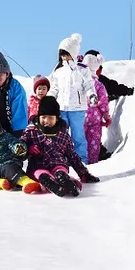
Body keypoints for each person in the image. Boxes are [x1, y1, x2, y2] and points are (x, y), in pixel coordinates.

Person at [21, 96, 99, 198]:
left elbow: (72, 155)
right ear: (38, 116)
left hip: (58, 163)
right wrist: (28, 150)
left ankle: (64, 179)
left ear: (57, 118)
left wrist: (83, 173)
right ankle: (48, 181)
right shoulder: (31, 132)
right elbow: (20, 147)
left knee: (60, 170)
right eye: (43, 117)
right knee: (39, 173)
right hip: (37, 166)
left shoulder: (63, 133)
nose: (47, 121)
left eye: (50, 118)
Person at [48, 33, 98, 164]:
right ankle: (61, 160)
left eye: (66, 53)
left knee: (78, 135)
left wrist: (92, 95)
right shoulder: (58, 71)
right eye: (62, 54)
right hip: (62, 108)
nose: (64, 57)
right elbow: (55, 88)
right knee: (60, 136)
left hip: (77, 109)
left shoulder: (82, 70)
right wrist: (49, 99)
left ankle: (81, 161)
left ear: (73, 53)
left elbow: (88, 85)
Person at [81, 54, 111, 165]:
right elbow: (103, 102)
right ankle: (93, 163)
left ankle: (81, 162)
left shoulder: (80, 83)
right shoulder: (99, 85)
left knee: (80, 140)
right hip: (95, 117)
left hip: (81, 115)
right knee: (94, 141)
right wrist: (106, 116)